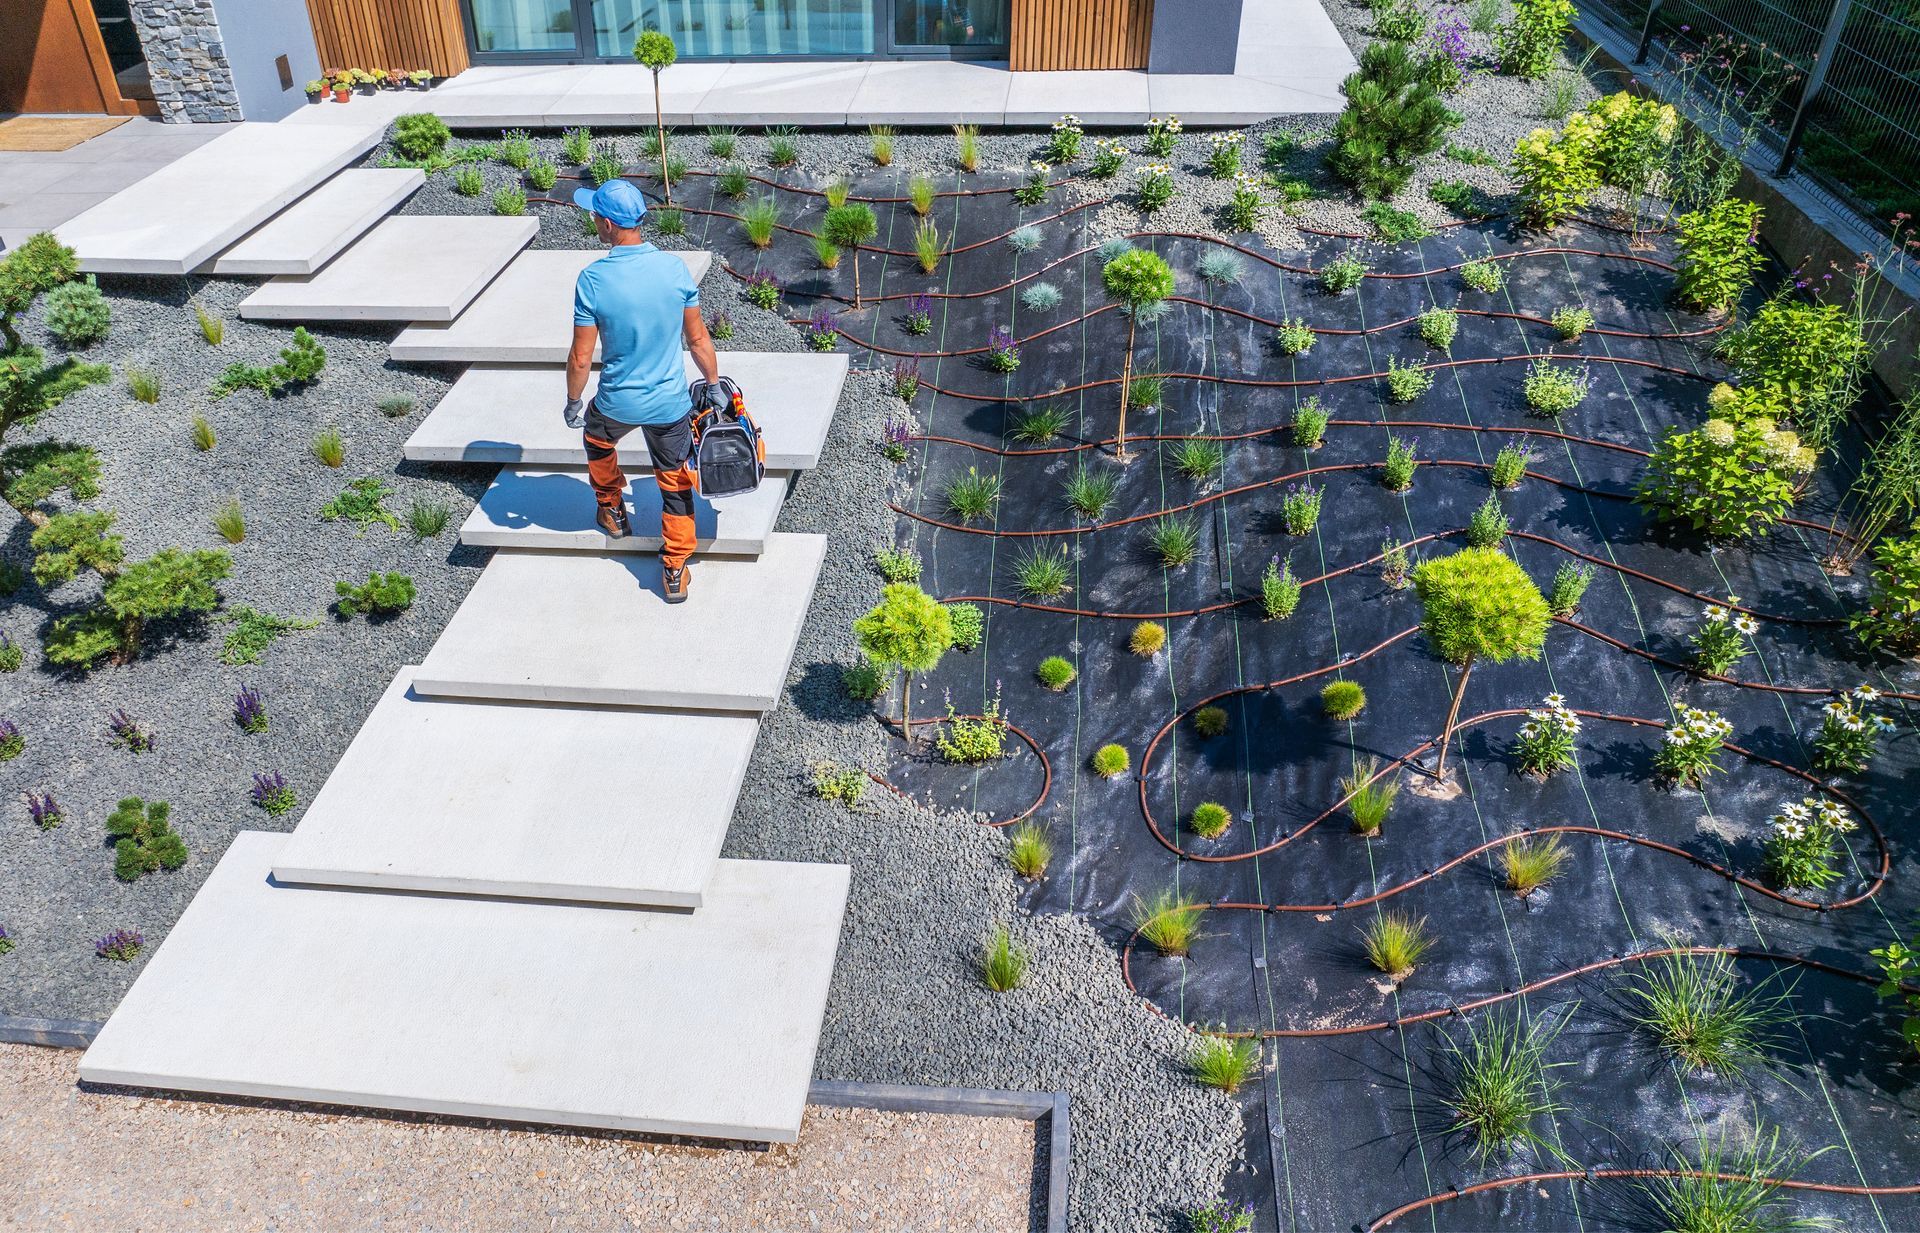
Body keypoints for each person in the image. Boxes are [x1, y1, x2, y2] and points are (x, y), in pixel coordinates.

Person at [565, 178, 724, 604]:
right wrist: (713, 385)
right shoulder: (674, 270)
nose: (594, 220)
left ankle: (612, 511)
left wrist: (574, 401)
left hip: (617, 401)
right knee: (673, 483)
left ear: (608, 224)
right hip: (670, 405)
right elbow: (698, 340)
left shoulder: (593, 279)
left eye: (595, 214)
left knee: (597, 439)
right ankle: (674, 568)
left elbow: (581, 357)